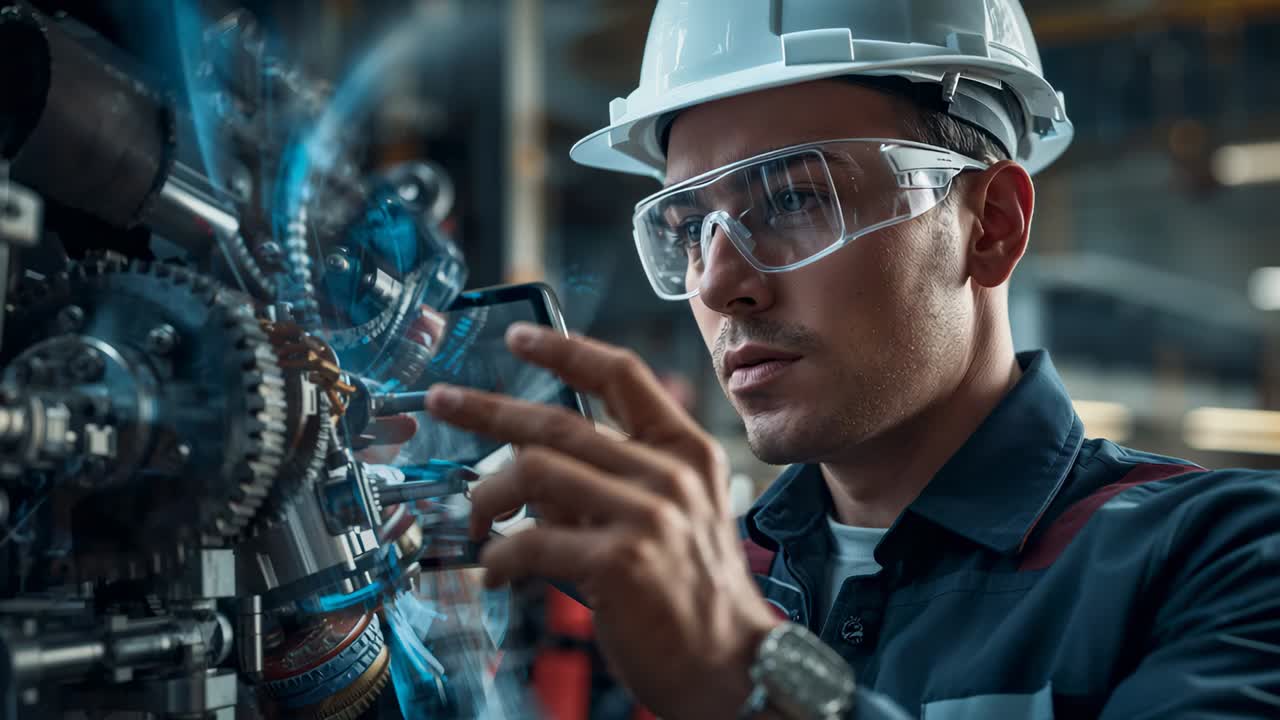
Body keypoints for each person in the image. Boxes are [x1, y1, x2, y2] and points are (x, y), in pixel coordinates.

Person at [425, 1, 1280, 718]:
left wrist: (758, 682)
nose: (722, 284)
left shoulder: (1220, 559)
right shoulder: (688, 587)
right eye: (690, 229)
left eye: (795, 197)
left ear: (992, 227)